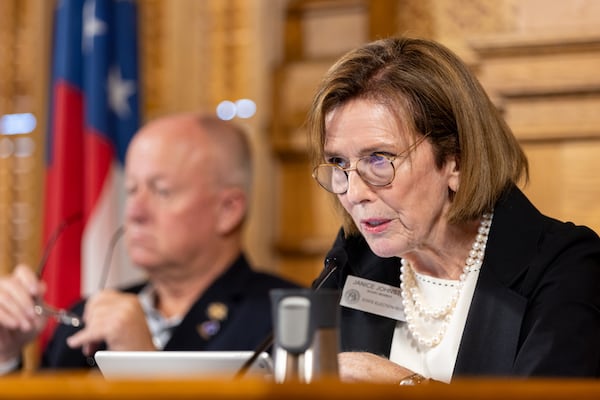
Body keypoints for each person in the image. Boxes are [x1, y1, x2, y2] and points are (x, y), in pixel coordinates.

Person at [307, 36, 600, 384]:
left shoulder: (565, 268)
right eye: (338, 162)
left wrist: (403, 385)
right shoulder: (352, 260)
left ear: (456, 160)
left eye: (378, 160)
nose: (353, 192)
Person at [0, 112, 299, 372]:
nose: (134, 211)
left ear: (228, 209)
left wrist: (142, 364)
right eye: (131, 190)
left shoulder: (288, 319)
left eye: (161, 191)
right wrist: (6, 356)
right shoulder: (83, 316)